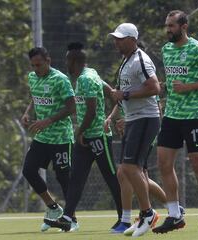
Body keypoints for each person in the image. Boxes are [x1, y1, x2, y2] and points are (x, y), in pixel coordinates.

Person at [152, 10, 198, 234]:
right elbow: (172, 81)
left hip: (194, 116)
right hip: (172, 115)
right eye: (166, 25)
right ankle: (174, 215)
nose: (168, 30)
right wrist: (164, 88)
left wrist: (188, 87)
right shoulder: (166, 49)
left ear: (183, 26)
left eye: (171, 25)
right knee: (163, 163)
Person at [43, 42, 122, 232]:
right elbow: (109, 91)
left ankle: (124, 217)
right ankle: (67, 218)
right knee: (76, 178)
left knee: (111, 177)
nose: (66, 65)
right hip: (85, 138)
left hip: (97, 137)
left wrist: (80, 131)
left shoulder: (86, 80)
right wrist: (113, 101)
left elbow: (92, 112)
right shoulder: (91, 73)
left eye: (67, 61)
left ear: (74, 61)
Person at [108, 23, 161, 237]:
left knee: (130, 168)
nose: (116, 42)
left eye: (120, 38)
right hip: (135, 119)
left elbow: (154, 87)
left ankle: (148, 214)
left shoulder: (141, 59)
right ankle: (145, 214)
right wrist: (125, 117)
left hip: (146, 118)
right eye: (115, 38)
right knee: (130, 169)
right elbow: (127, 91)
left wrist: (126, 96)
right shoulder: (125, 61)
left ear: (132, 39)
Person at [105, 103, 185, 235]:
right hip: (132, 127)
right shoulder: (126, 84)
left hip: (144, 128)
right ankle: (166, 209)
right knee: (135, 174)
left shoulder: (146, 82)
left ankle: (134, 217)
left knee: (128, 171)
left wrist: (129, 122)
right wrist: (111, 118)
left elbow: (155, 104)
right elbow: (120, 100)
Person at [21, 47, 76, 232]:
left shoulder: (60, 79)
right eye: (33, 65)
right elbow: (35, 97)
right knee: (28, 170)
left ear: (48, 61)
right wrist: (27, 112)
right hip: (42, 137)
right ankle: (53, 208)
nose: (36, 68)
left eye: (39, 64)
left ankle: (71, 219)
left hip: (61, 137)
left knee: (63, 177)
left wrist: (48, 120)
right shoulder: (32, 77)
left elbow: (71, 107)